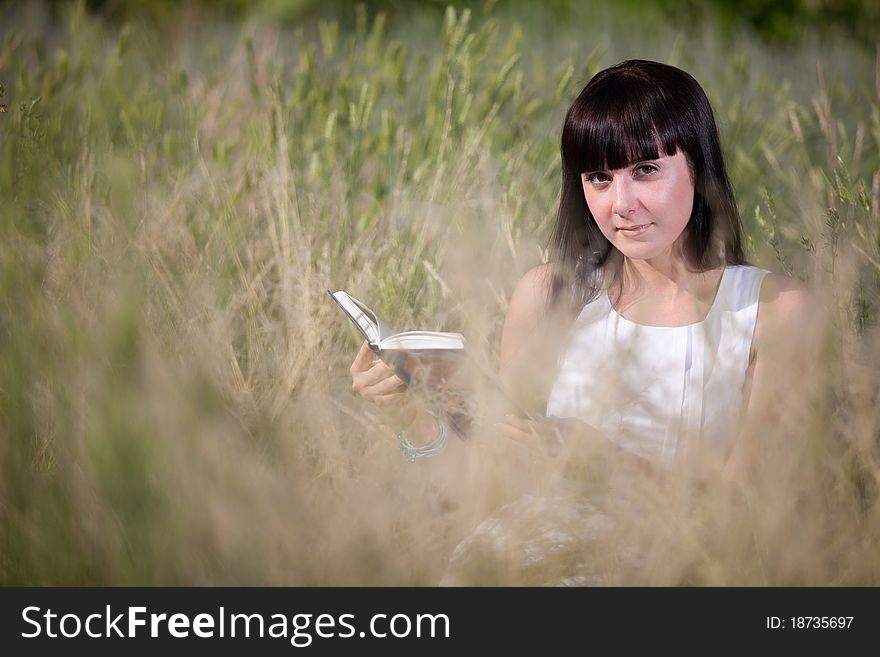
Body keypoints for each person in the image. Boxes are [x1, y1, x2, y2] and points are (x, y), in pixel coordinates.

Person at [349, 59, 815, 582]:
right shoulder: (549, 296)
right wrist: (410, 415)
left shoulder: (773, 310)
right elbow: (486, 495)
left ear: (699, 166)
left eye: (645, 170)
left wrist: (602, 463)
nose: (622, 204)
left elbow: (750, 518)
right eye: (598, 177)